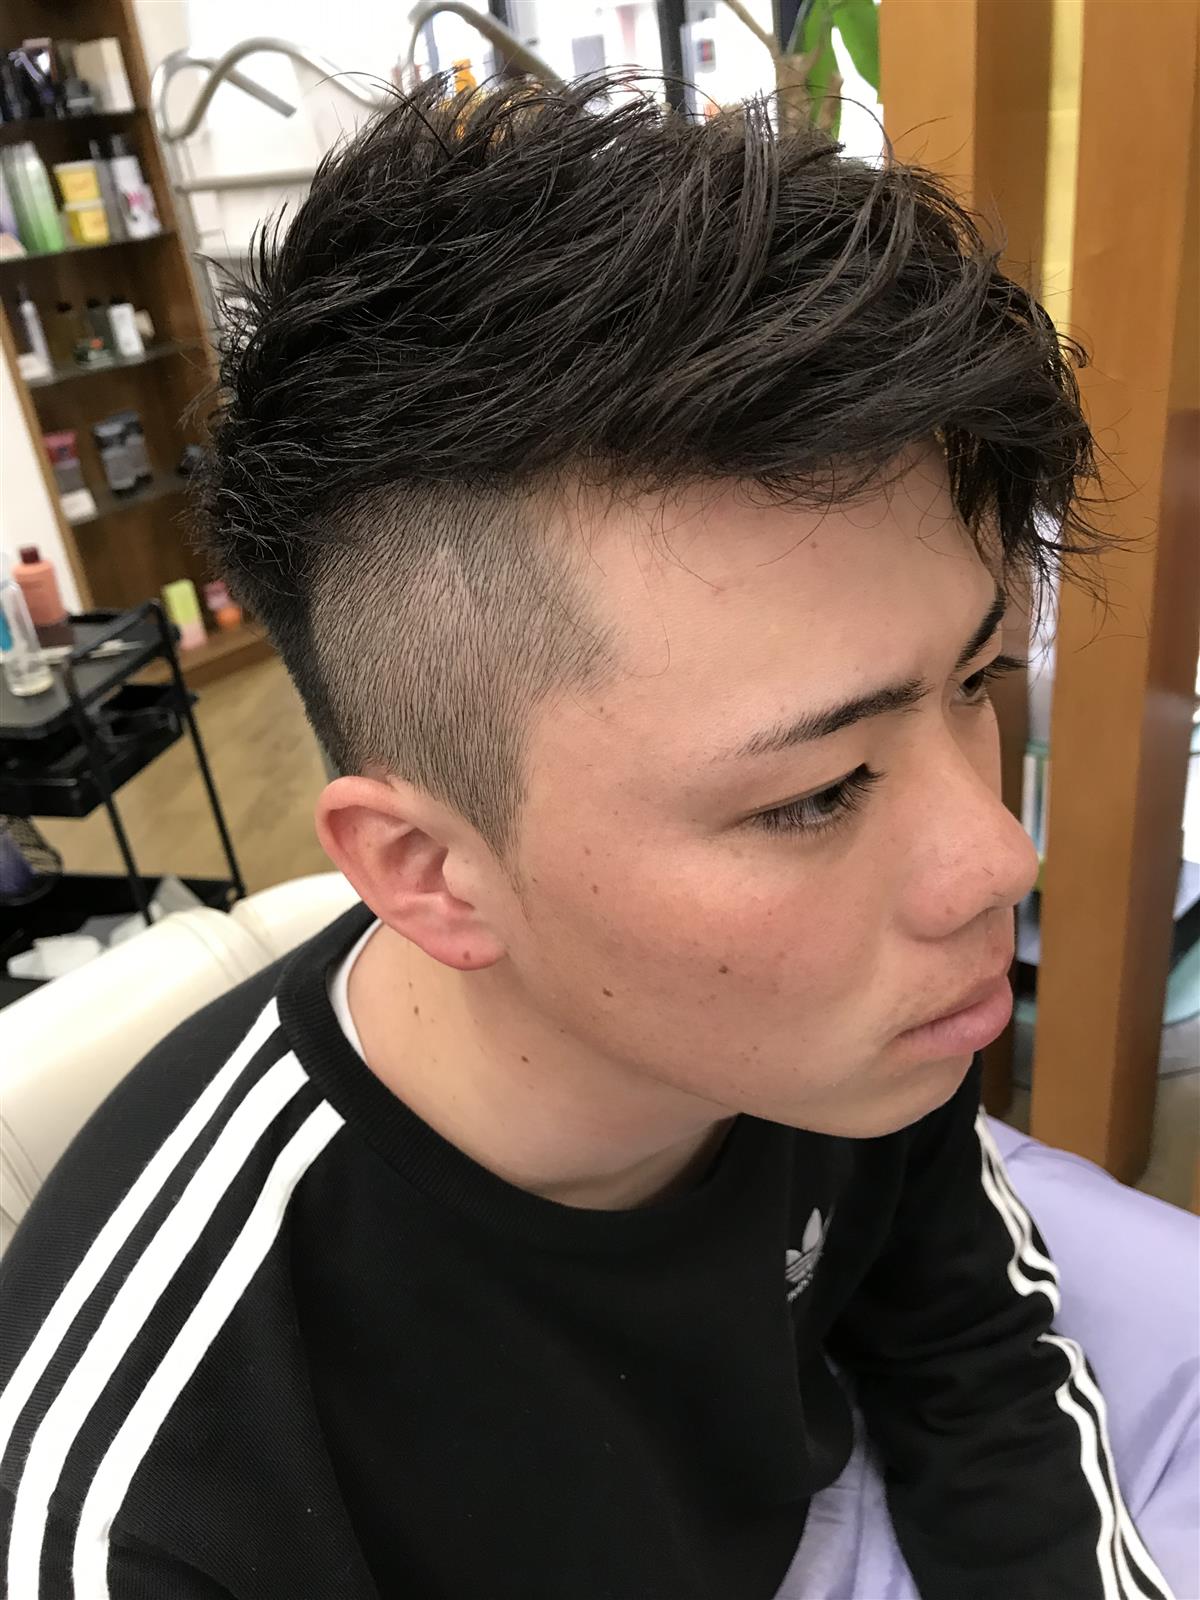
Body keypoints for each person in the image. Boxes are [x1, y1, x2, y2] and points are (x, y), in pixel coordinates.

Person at [0, 75, 1194, 1600]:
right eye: (817, 791)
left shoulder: (853, 1037)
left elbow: (965, 1341)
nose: (994, 862)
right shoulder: (163, 1501)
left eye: (977, 683)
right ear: (429, 874)